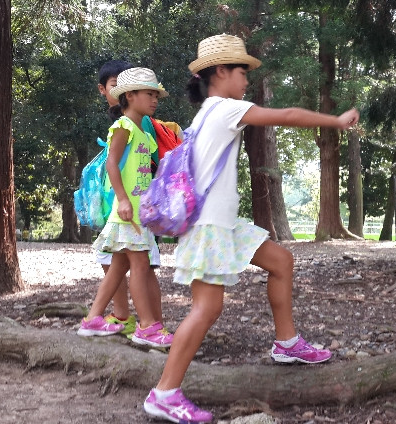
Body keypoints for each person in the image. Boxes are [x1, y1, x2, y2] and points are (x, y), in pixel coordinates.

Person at [143, 34, 359, 423]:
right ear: (220, 72)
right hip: (210, 227)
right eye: (241, 71)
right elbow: (289, 115)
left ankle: (287, 343)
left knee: (280, 260)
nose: (246, 79)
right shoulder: (224, 108)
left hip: (223, 224)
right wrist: (336, 121)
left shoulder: (209, 112)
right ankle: (164, 392)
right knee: (207, 308)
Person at [77, 67, 173, 348]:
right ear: (129, 96)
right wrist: (121, 199)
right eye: (149, 94)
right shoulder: (123, 126)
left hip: (137, 211)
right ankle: (147, 327)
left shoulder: (143, 132)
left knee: (119, 266)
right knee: (140, 266)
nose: (155, 100)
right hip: (127, 212)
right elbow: (111, 163)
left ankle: (93, 319)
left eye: (156, 94)